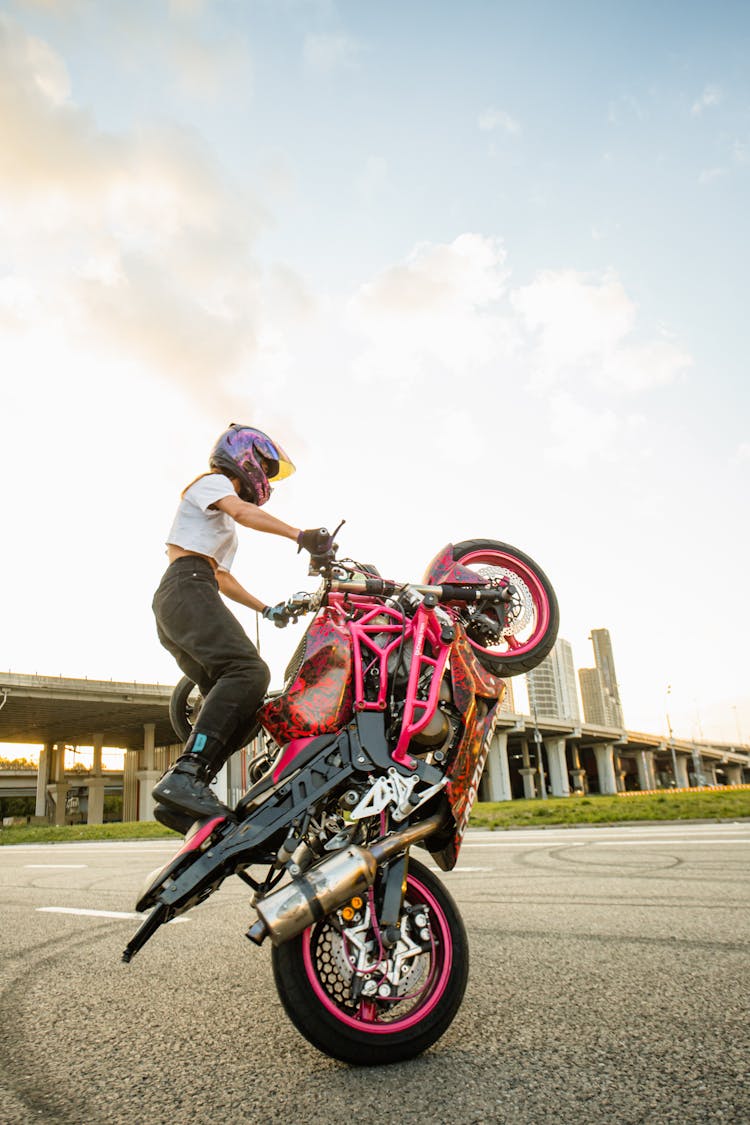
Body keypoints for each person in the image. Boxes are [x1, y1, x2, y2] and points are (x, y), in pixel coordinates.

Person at [151, 423, 333, 824]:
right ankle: (185, 776)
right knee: (249, 671)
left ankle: (183, 793)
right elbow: (245, 513)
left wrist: (267, 609)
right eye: (265, 468)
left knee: (244, 705)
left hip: (191, 590)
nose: (265, 479)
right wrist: (299, 535)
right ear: (245, 456)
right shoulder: (212, 484)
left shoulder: (221, 519)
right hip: (186, 587)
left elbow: (222, 577)